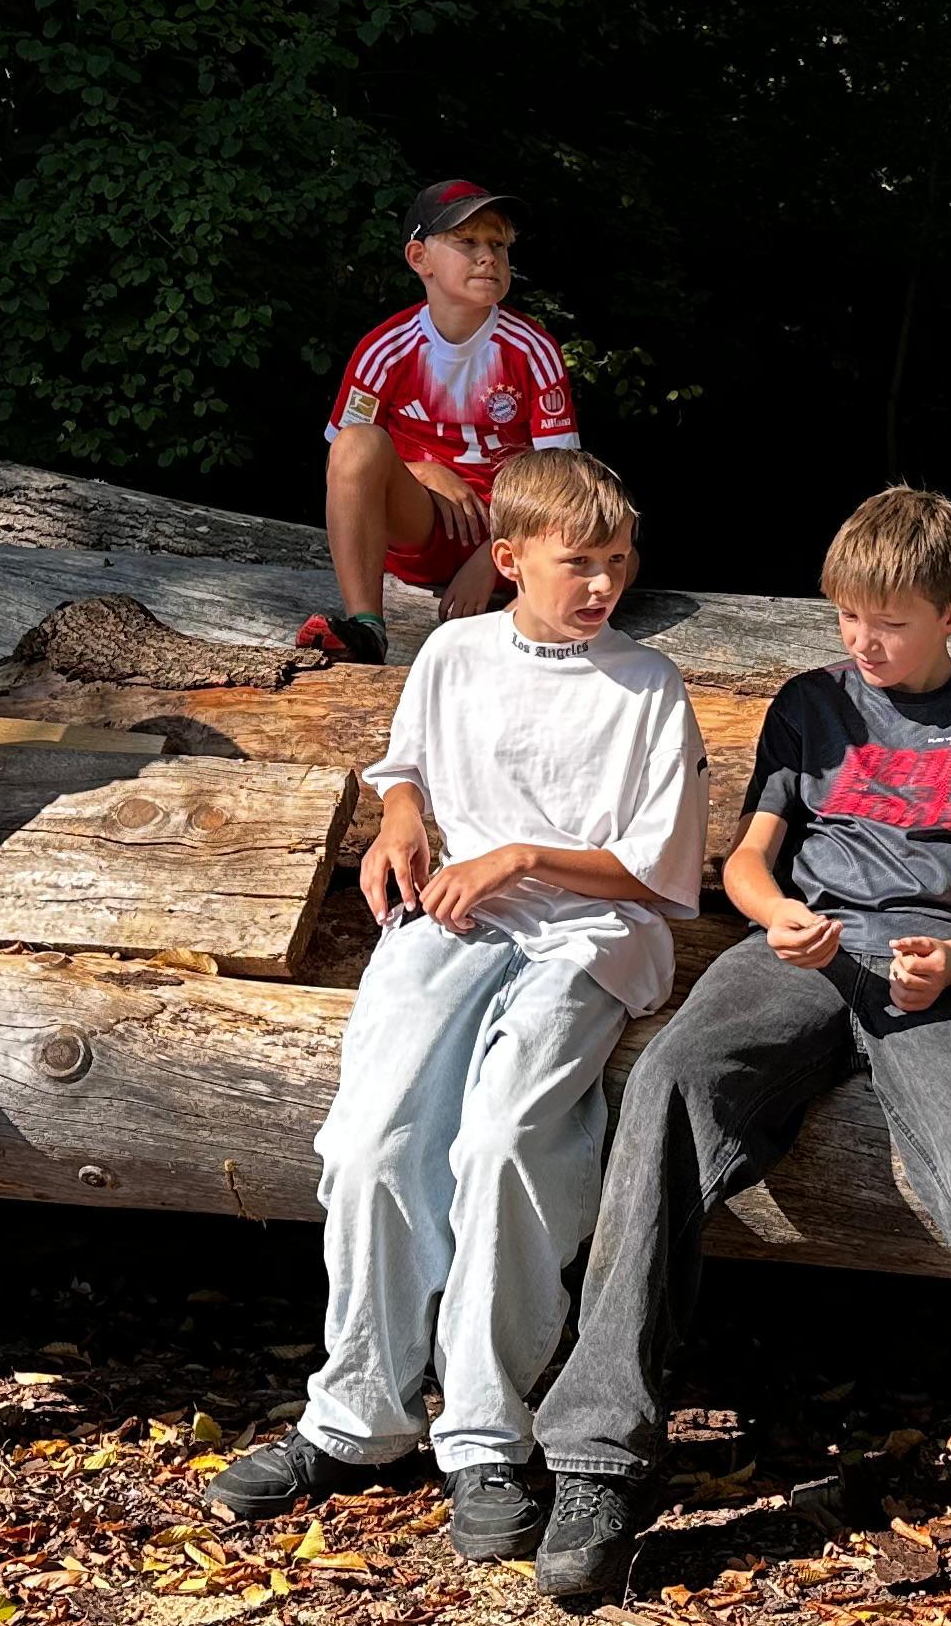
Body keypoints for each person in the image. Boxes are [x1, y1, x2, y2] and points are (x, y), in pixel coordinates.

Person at [533, 488, 951, 1626]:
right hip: (801, 951)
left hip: (941, 968)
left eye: (890, 622)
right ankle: (597, 1460)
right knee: (666, 1086)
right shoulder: (810, 705)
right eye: (848, 617)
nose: (864, 641)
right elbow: (749, 864)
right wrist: (779, 919)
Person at [212, 448, 706, 1560]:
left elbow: (657, 874)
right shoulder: (456, 651)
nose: (603, 586)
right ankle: (355, 1416)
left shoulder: (646, 686)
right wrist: (399, 822)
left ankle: (485, 1433)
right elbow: (406, 768)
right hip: (458, 920)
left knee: (504, 1139)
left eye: (618, 562)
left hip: (590, 935)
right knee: (374, 1141)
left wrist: (520, 855)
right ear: (511, 557)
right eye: (579, 564)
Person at [300, 178, 581, 664]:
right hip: (421, 525)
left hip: (513, 534)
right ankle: (366, 628)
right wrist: (420, 470)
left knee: (620, 544)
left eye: (497, 245)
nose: (487, 257)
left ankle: (528, 623)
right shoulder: (385, 348)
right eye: (466, 242)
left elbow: (560, 479)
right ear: (419, 258)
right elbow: (343, 466)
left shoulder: (532, 348)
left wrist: (492, 558)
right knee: (356, 441)